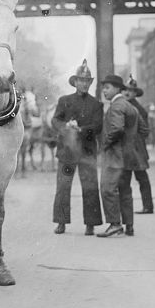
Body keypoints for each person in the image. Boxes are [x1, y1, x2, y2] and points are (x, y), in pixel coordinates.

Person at [50, 61, 104, 235]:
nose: (84, 84)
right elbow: (55, 120)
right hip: (67, 153)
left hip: (87, 152)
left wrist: (80, 129)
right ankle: (61, 222)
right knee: (63, 187)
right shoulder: (64, 101)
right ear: (75, 82)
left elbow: (97, 126)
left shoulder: (97, 105)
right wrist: (65, 127)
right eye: (81, 80)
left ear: (90, 83)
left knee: (90, 187)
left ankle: (91, 224)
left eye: (87, 81)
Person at [97, 74, 140, 238]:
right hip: (128, 155)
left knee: (107, 188)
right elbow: (141, 129)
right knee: (124, 190)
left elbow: (117, 129)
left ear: (116, 88)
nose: (104, 91)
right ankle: (129, 225)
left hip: (115, 155)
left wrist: (105, 144)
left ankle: (115, 224)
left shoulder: (116, 106)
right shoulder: (130, 106)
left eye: (107, 87)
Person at [124, 76, 155, 214]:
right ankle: (143, 206)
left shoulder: (139, 109)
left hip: (136, 147)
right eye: (126, 90)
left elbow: (145, 131)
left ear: (136, 93)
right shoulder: (125, 106)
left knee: (140, 177)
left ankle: (148, 206)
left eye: (131, 91)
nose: (127, 93)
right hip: (129, 147)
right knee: (128, 177)